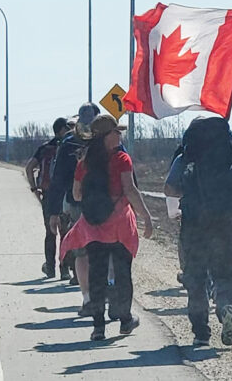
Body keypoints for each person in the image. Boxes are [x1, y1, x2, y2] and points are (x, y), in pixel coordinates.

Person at [60, 114, 153, 341]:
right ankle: (125, 321)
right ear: (106, 136)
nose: (119, 135)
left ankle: (98, 327)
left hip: (94, 227)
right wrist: (147, 217)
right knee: (123, 275)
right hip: (120, 226)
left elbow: (76, 194)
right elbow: (130, 190)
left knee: (97, 275)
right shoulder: (122, 159)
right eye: (116, 132)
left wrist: (95, 203)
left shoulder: (85, 161)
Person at [164, 116, 232, 347]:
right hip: (225, 224)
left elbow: (169, 188)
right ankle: (225, 308)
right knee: (226, 274)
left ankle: (201, 333)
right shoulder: (230, 156)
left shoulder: (185, 158)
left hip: (194, 226)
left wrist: (188, 193)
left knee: (196, 279)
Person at [48, 103, 100, 313]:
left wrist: (53, 211)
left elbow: (57, 180)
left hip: (82, 204)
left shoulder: (69, 143)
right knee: (100, 250)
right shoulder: (106, 138)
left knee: (83, 253)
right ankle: (102, 294)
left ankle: (89, 298)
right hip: (99, 204)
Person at [24, 117, 74, 280]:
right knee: (65, 232)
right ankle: (65, 269)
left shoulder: (45, 148)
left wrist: (34, 189)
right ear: (61, 129)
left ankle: (50, 268)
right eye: (67, 127)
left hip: (48, 195)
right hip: (66, 195)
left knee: (50, 232)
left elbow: (29, 167)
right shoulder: (70, 146)